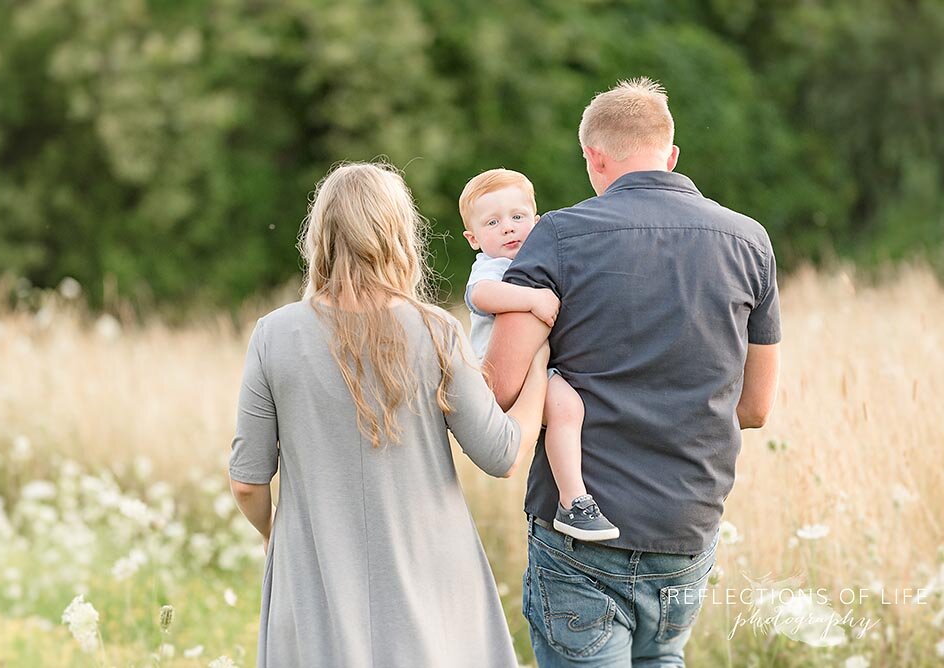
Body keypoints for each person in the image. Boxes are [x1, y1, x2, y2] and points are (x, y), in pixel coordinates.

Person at [485, 77, 782, 666]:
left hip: (580, 533)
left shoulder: (559, 235)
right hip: (688, 526)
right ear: (671, 155)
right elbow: (755, 408)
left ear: (593, 158)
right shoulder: (749, 241)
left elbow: (499, 385)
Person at [227, 162, 549, 668]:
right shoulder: (437, 331)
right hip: (434, 588)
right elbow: (504, 455)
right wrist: (539, 370)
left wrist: (275, 536)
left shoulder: (273, 335)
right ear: (399, 235)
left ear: (321, 238)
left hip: (313, 586)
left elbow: (247, 482)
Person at [459, 168, 619, 542]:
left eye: (518, 217)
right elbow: (481, 296)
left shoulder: (540, 261)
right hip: (495, 370)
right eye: (493, 222)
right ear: (473, 238)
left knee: (569, 409)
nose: (508, 228)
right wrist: (531, 298)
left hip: (538, 367)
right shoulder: (490, 267)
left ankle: (573, 501)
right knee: (566, 409)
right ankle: (574, 500)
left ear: (537, 220)